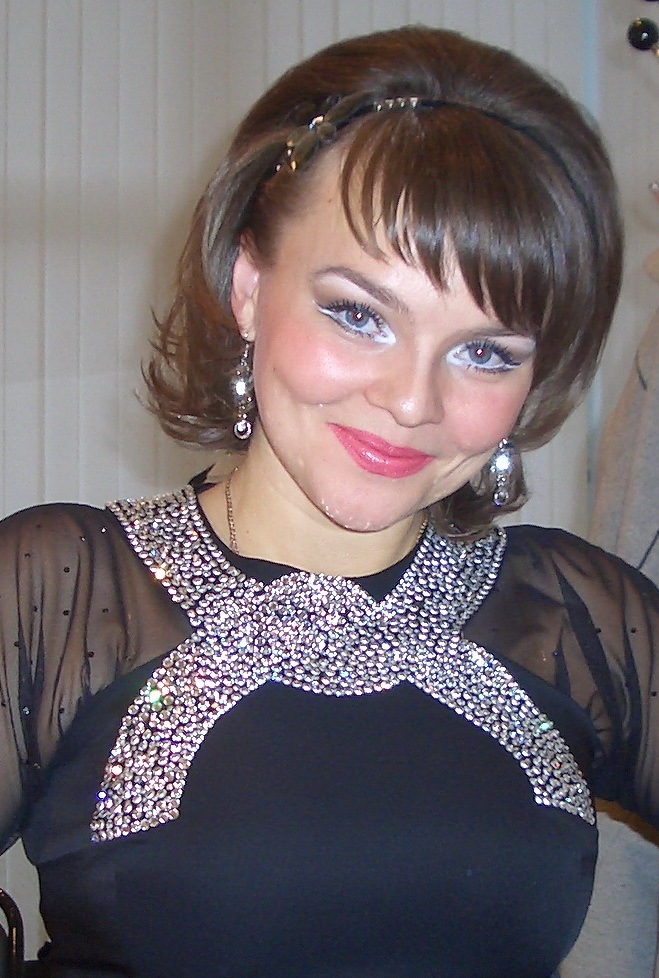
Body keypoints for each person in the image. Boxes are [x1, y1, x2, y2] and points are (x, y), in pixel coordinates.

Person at [0, 23, 656, 978]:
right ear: (248, 285)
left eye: (484, 352)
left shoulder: (577, 615)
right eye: (358, 314)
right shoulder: (57, 595)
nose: (411, 401)